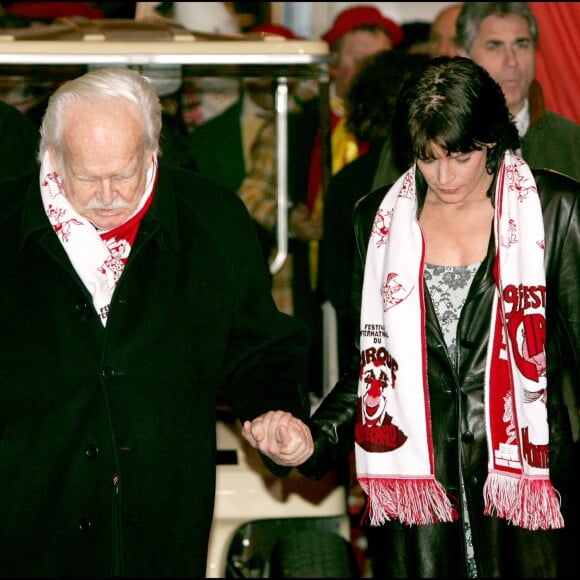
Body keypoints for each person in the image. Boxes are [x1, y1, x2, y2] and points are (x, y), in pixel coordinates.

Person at [244, 56, 580, 578]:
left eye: (460, 156)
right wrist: (313, 441)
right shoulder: (377, 223)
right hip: (422, 510)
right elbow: (371, 371)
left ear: (491, 139)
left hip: (530, 500)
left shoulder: (556, 210)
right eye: (427, 159)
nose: (444, 176)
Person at [0, 66, 314, 577]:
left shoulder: (212, 220)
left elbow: (257, 346)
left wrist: (274, 411)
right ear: (51, 157)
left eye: (125, 173)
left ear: (153, 152)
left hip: (161, 524)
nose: (108, 195)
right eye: (86, 176)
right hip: (29, 526)